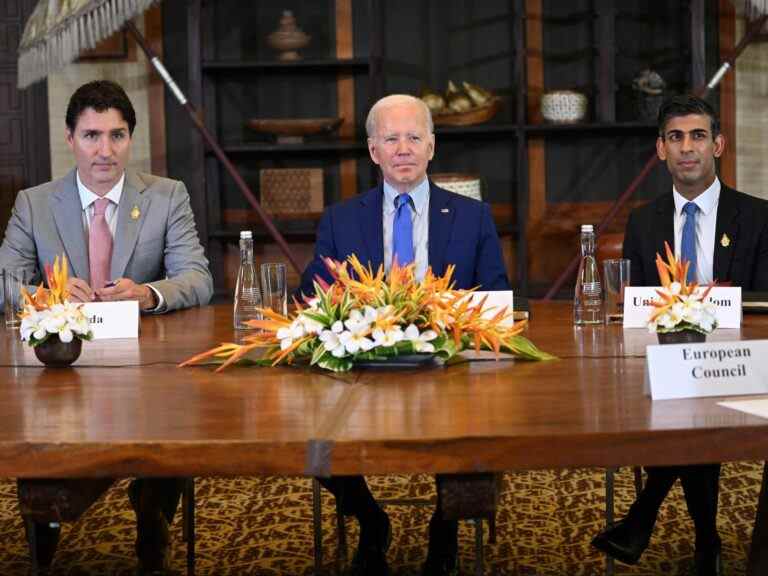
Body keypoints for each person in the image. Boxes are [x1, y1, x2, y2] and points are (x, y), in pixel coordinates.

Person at [0, 80, 213, 574]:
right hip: (56, 367)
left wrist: (147, 292)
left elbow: (198, 278)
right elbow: (4, 280)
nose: (104, 150)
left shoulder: (165, 196)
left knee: (170, 423)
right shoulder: (34, 203)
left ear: (130, 140)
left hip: (144, 362)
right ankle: (45, 531)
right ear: (70, 138)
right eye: (92, 135)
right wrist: (43, 293)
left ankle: (152, 516)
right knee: (43, 448)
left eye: (117, 136)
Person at [299, 94, 510, 575]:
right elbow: (312, 296)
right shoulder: (341, 218)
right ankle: (371, 519)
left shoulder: (472, 216)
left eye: (414, 137)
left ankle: (445, 525)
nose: (403, 148)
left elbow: (496, 297)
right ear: (373, 151)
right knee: (310, 425)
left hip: (446, 366)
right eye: (391, 138)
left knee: (474, 420)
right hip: (363, 365)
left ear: (432, 147)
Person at [592, 94, 768, 576]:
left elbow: (764, 302)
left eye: (697, 136)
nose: (686, 147)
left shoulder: (757, 216)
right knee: (686, 401)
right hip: (662, 363)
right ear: (661, 149)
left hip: (740, 361)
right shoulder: (642, 221)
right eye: (675, 137)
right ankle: (704, 540)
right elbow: (636, 304)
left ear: (718, 145)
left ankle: (648, 519)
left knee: (694, 401)